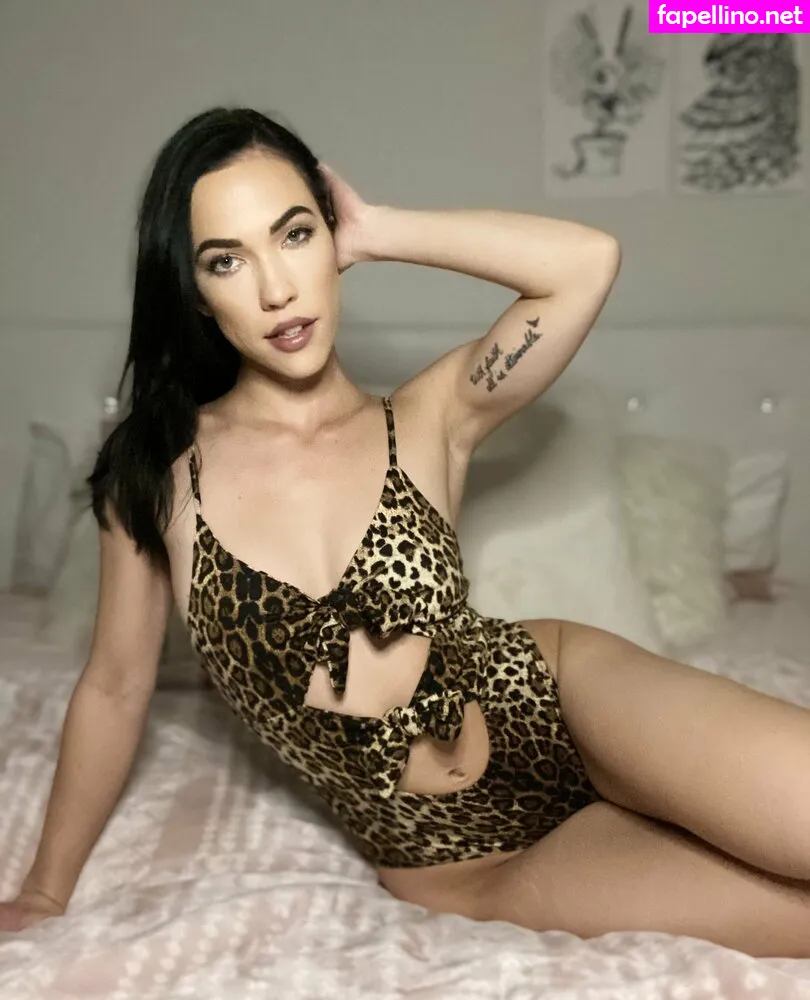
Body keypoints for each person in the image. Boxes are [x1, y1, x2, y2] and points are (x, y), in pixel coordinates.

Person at [2, 107, 809, 959]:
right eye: (227, 260)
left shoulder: (429, 416)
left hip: (567, 699)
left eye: (296, 235)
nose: (277, 289)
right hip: (462, 864)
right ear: (195, 291)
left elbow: (585, 264)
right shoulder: (156, 474)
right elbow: (115, 686)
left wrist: (378, 229)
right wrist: (46, 890)